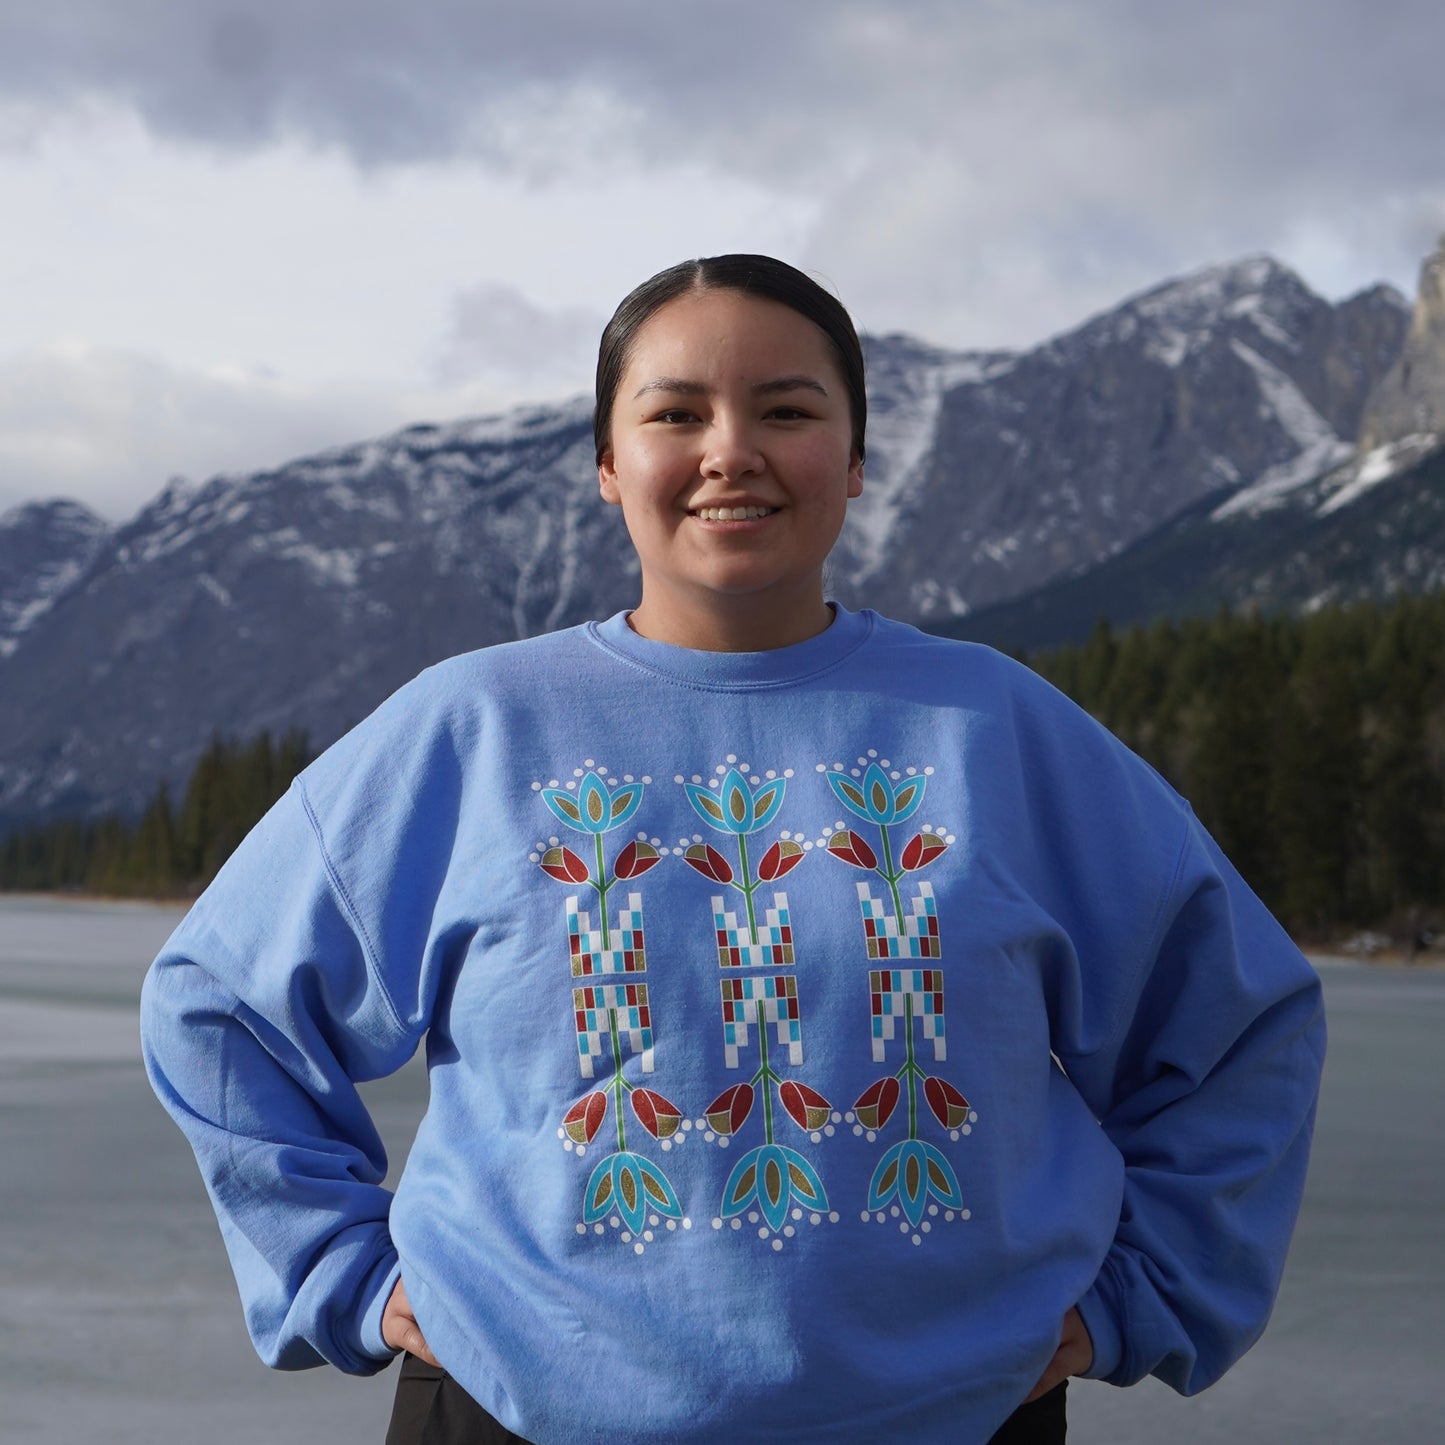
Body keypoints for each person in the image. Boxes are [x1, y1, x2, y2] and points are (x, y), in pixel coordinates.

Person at [141, 254, 1326, 1444]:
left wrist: (1135, 1300)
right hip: (514, 1414)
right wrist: (347, 1277)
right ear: (608, 465)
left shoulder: (998, 730)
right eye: (673, 412)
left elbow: (1237, 1024)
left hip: (946, 1422)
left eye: (787, 410)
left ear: (854, 460)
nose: (729, 450)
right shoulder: (472, 726)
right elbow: (219, 1004)